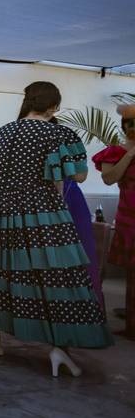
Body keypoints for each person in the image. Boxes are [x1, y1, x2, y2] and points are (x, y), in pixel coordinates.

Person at [0, 81, 112, 376]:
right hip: (40, 212)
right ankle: (60, 348)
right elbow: (79, 175)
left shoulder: (2, 133)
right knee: (55, 277)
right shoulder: (59, 134)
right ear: (54, 107)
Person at [92, 106, 135, 338]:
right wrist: (129, 154)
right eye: (130, 124)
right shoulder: (115, 152)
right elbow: (109, 178)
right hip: (130, 218)